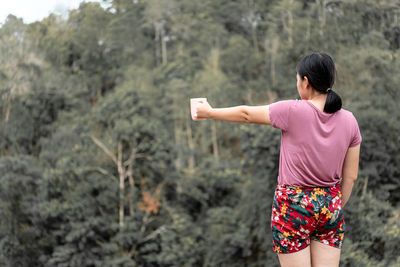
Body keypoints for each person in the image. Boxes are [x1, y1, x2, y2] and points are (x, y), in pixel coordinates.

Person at [195, 52, 362, 267]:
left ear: (306, 82)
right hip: (331, 205)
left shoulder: (293, 110)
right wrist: (334, 206)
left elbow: (246, 114)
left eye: (297, 79)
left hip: (294, 207)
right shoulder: (349, 120)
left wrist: (209, 112)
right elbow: (351, 176)